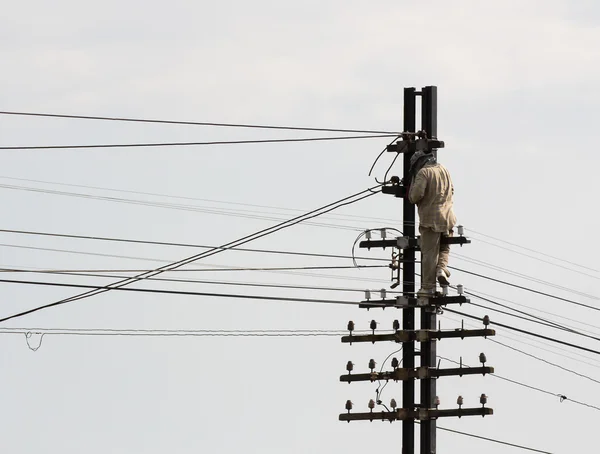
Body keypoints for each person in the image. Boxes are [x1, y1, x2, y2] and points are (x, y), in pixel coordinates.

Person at [407, 150, 457, 296]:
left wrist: (412, 185)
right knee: (444, 248)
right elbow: (452, 190)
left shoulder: (423, 173)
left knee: (430, 254)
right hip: (448, 218)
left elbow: (416, 196)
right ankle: (441, 269)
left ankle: (427, 288)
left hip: (431, 219)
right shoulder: (444, 169)